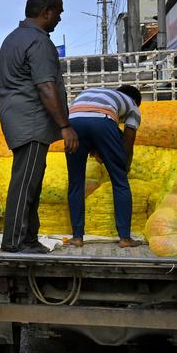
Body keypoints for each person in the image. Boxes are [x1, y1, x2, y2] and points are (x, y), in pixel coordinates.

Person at [0, 0, 79, 253]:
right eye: (58, 13)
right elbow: (46, 87)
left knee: (29, 182)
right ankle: (15, 242)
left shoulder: (14, 38)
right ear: (47, 12)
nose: (59, 19)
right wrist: (66, 126)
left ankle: (28, 239)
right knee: (25, 185)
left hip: (21, 119)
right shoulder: (39, 41)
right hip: (30, 122)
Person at [66, 85, 144, 248]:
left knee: (75, 183)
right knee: (120, 182)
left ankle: (77, 237)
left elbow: (83, 119)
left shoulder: (93, 92)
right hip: (102, 121)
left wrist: (95, 148)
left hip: (72, 123)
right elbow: (128, 140)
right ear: (136, 101)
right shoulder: (133, 105)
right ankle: (125, 238)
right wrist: (124, 165)